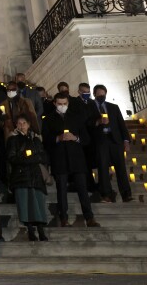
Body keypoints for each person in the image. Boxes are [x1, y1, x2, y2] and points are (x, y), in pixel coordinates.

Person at [42, 92, 99, 228]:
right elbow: (45, 140)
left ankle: (89, 217)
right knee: (61, 190)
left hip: (77, 158)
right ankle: (63, 218)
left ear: (68, 103)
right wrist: (58, 138)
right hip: (59, 158)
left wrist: (75, 138)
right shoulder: (48, 119)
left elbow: (86, 138)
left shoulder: (76, 117)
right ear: (55, 103)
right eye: (60, 104)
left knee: (82, 189)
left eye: (65, 104)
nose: (62, 106)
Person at [6, 114, 49, 241]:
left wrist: (32, 158)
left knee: (38, 204)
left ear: (29, 124)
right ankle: (30, 230)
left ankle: (41, 230)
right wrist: (27, 159)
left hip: (36, 176)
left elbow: (43, 156)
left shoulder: (35, 139)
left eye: (24, 123)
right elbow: (11, 157)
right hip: (21, 176)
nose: (21, 125)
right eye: (19, 123)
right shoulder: (13, 140)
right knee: (25, 204)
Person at [87, 84, 133, 203]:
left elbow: (121, 125)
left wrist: (126, 141)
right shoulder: (89, 107)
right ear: (95, 94)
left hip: (115, 141)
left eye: (103, 94)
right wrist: (98, 121)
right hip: (101, 141)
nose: (101, 96)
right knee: (103, 168)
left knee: (121, 168)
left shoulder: (113, 107)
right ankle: (106, 194)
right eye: (99, 94)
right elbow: (87, 124)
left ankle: (126, 194)